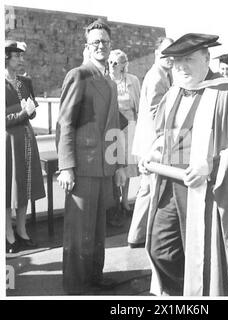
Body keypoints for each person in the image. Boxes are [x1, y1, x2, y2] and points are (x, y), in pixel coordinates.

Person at [140, 33, 228, 296]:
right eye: (176, 62)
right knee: (159, 248)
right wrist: (153, 153)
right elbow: (166, 137)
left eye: (188, 59)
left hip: (208, 192)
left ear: (206, 58)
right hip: (171, 185)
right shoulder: (173, 94)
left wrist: (211, 164)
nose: (181, 67)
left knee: (206, 258)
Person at [56, 19, 126, 295]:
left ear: (110, 46)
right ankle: (75, 286)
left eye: (105, 42)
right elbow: (65, 124)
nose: (100, 45)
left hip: (104, 168)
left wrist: (119, 164)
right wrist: (66, 167)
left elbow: (114, 126)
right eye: (95, 41)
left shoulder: (109, 81)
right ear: (87, 47)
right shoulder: (79, 75)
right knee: (78, 232)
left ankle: (94, 278)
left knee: (96, 232)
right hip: (82, 169)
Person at [128, 37, 174, 248]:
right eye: (166, 53)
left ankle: (137, 235)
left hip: (147, 142)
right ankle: (143, 236)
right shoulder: (157, 78)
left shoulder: (161, 74)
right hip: (151, 143)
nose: (170, 57)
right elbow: (157, 115)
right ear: (157, 54)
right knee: (152, 189)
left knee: (146, 189)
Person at [5, 40, 45, 253]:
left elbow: (34, 110)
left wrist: (30, 111)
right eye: (17, 56)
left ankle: (21, 230)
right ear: (6, 57)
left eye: (22, 56)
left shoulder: (24, 82)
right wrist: (21, 113)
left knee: (25, 186)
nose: (21, 60)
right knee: (8, 188)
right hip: (8, 141)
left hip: (27, 139)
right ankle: (8, 235)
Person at [108, 49, 140, 222]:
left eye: (116, 62)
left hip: (129, 128)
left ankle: (125, 201)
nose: (112, 65)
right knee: (114, 165)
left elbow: (139, 106)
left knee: (127, 166)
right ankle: (114, 203)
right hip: (112, 129)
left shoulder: (132, 81)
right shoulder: (106, 80)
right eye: (110, 61)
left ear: (123, 65)